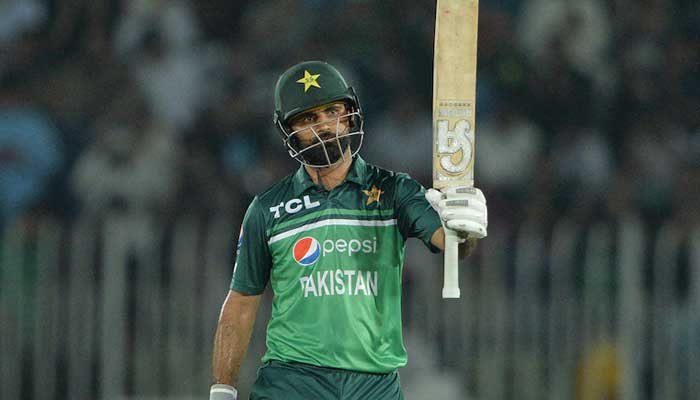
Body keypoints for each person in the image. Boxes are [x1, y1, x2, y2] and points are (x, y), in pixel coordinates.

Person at [209, 60, 488, 400]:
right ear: (288, 131)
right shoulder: (268, 208)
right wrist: (222, 390)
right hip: (292, 382)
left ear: (351, 114)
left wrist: (464, 227)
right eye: (309, 119)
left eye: (332, 112)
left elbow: (452, 243)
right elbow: (240, 303)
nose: (325, 126)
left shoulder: (394, 191)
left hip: (373, 385)